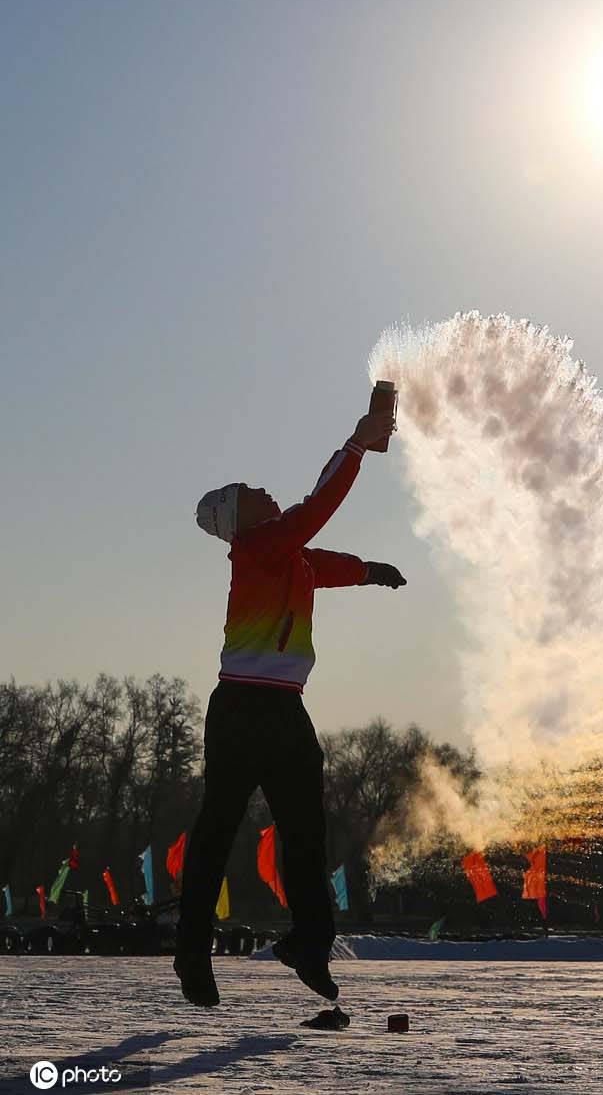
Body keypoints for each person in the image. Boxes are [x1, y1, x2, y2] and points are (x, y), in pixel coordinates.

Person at [175, 405, 407, 1008]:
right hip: (242, 710)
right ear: (238, 519)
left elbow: (317, 565)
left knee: (306, 834)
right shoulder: (257, 547)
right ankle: (192, 954)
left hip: (283, 712)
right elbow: (314, 513)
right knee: (217, 832)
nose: (259, 488)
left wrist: (366, 571)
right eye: (247, 492)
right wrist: (355, 447)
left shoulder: (284, 556)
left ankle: (309, 944)